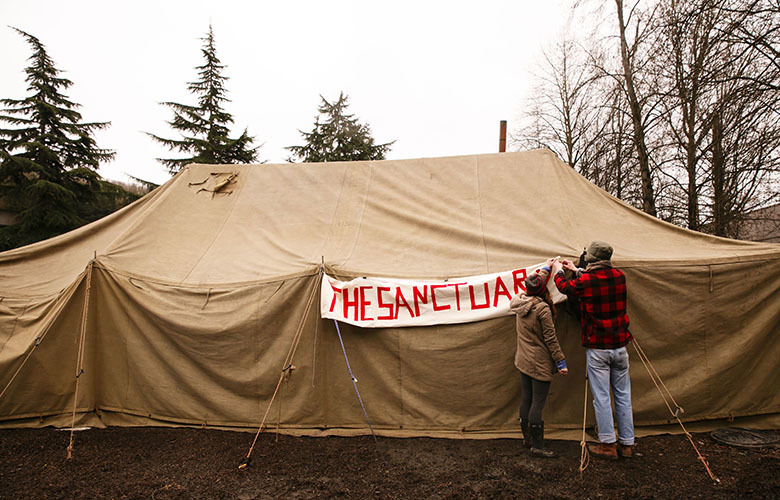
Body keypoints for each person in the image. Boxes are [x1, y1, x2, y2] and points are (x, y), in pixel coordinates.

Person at [552, 241, 635, 459]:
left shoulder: (586, 282)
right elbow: (594, 280)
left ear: (591, 260)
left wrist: (560, 271)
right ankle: (627, 444)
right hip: (620, 346)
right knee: (623, 394)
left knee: (601, 396)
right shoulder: (620, 276)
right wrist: (576, 269)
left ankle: (608, 444)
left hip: (598, 347)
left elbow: (564, 287)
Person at [509, 260, 568, 458]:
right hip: (539, 361)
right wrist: (560, 362)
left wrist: (545, 269)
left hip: (523, 359)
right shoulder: (542, 309)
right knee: (538, 403)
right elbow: (551, 339)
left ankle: (527, 438)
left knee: (527, 398)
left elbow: (535, 284)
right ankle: (537, 445)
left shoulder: (519, 300)